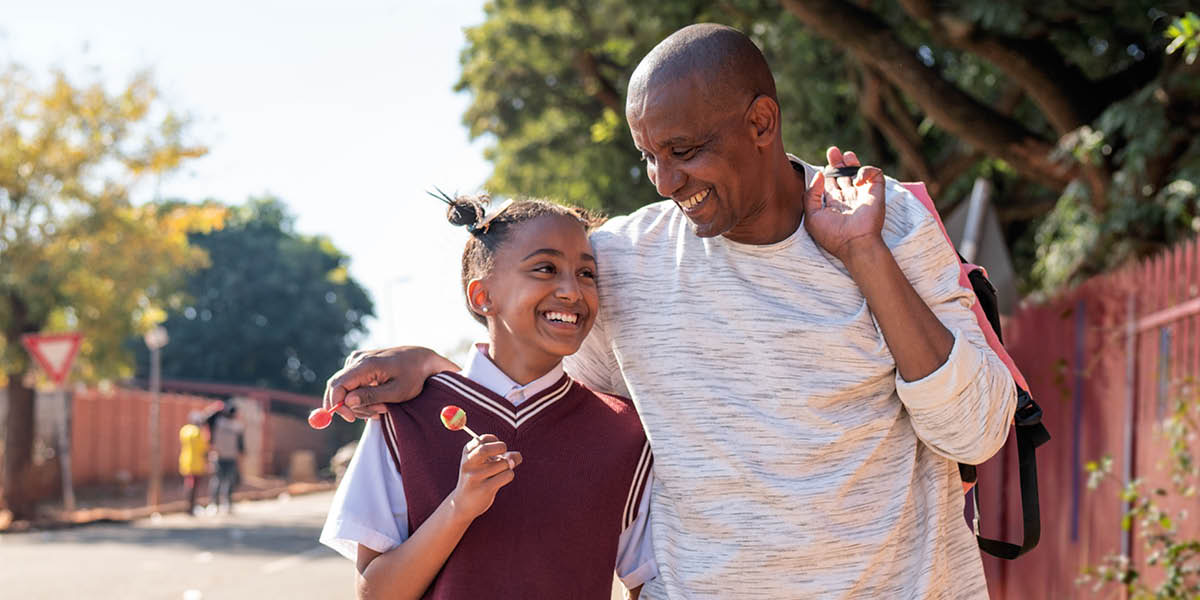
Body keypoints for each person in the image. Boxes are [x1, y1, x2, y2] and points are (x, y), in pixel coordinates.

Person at [325, 24, 1016, 599]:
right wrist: (435, 367)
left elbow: (975, 434)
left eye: (684, 151)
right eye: (649, 156)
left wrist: (862, 256)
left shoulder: (888, 223)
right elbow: (543, 387)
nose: (664, 181)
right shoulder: (623, 262)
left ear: (761, 123)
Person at [319, 195, 657, 599]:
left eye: (586, 273)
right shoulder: (404, 419)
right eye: (546, 269)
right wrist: (460, 507)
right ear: (482, 297)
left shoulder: (623, 432)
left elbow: (643, 586)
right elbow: (375, 593)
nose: (572, 290)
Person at [207, 401, 244, 514]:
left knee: (228, 481)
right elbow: (206, 418)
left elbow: (241, 444)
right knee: (219, 480)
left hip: (228, 456)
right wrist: (218, 409)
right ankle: (215, 503)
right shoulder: (219, 422)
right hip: (221, 455)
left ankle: (226, 504)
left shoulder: (235, 426)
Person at [178, 412, 209, 515]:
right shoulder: (198, 432)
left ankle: (187, 506)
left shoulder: (184, 430)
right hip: (196, 462)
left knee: (188, 484)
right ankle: (190, 507)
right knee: (193, 486)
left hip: (185, 460)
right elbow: (203, 448)